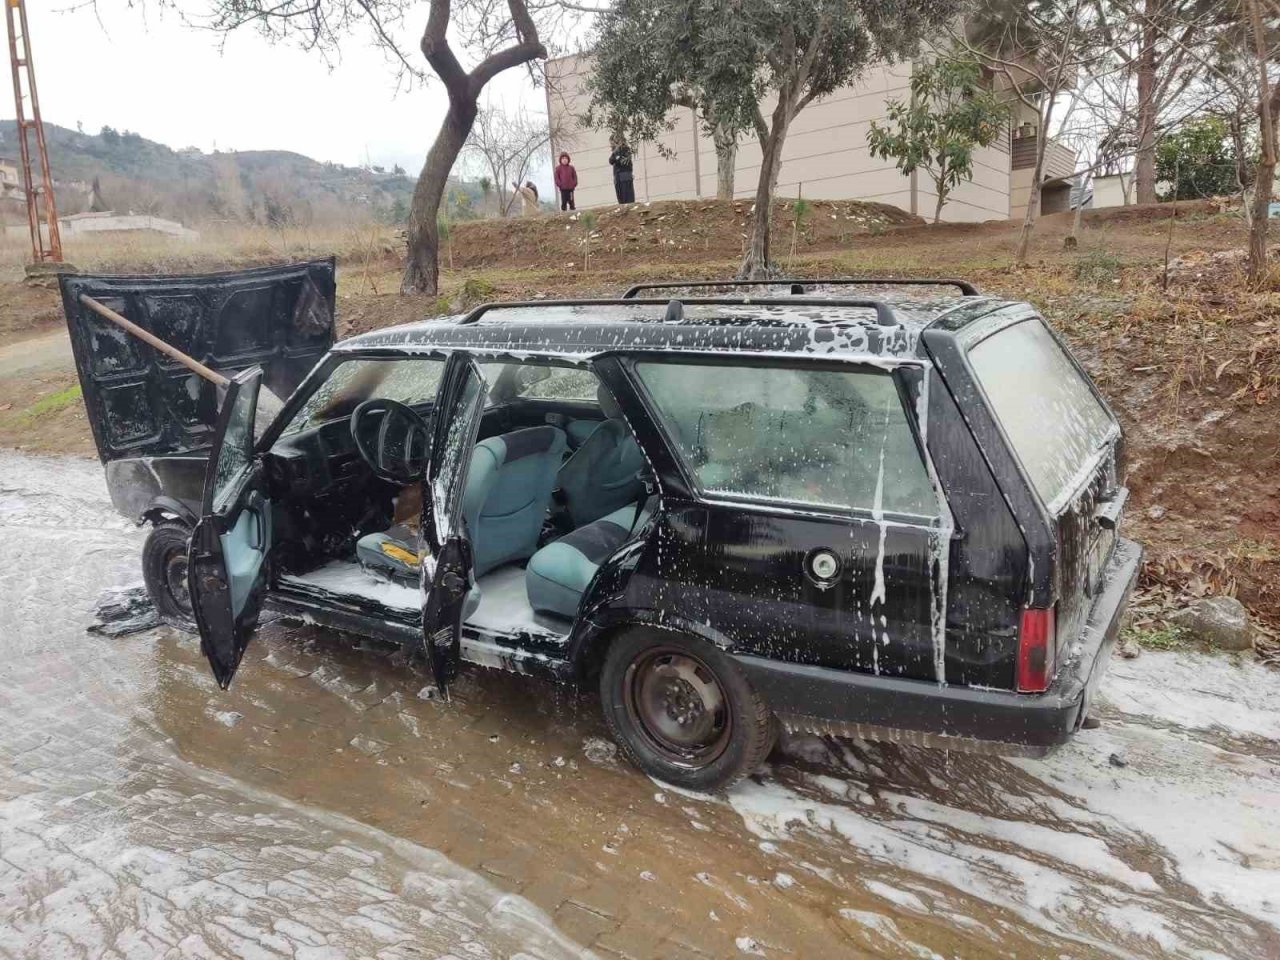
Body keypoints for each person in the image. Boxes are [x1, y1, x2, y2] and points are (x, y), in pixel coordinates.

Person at [608, 139, 635, 204]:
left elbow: (621, 161)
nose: (611, 146)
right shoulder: (615, 152)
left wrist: (617, 158)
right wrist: (616, 158)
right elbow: (611, 161)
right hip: (618, 178)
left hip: (625, 177)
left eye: (612, 143)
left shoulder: (625, 149)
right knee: (621, 199)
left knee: (628, 198)